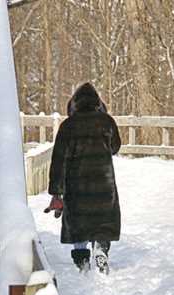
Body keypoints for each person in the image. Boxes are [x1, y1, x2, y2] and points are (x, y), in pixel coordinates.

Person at [45, 82, 121, 274]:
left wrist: (56, 191)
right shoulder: (106, 122)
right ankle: (101, 248)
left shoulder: (68, 126)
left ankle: (82, 258)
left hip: (77, 185)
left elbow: (58, 160)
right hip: (104, 182)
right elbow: (115, 147)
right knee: (103, 221)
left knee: (79, 223)